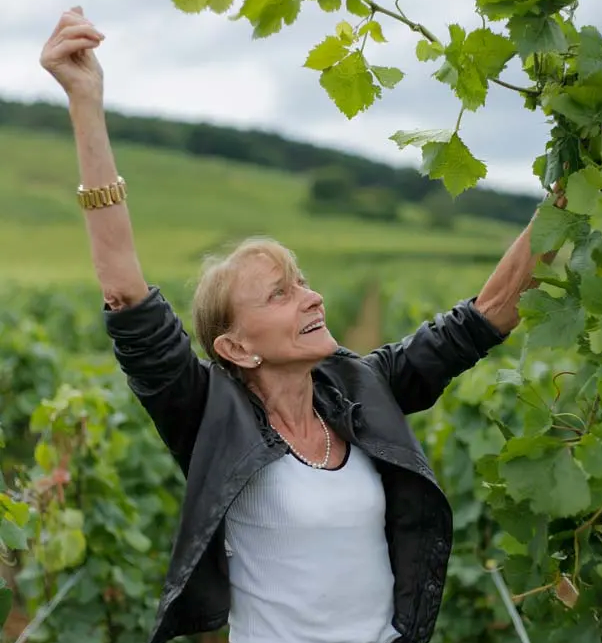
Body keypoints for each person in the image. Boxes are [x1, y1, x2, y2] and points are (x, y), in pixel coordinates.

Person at [40, 7, 563, 643]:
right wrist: (86, 103)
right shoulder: (206, 414)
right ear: (236, 346)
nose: (311, 298)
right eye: (280, 294)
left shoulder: (365, 389)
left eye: (304, 282)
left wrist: (572, 181)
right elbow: (125, 290)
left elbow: (487, 314)